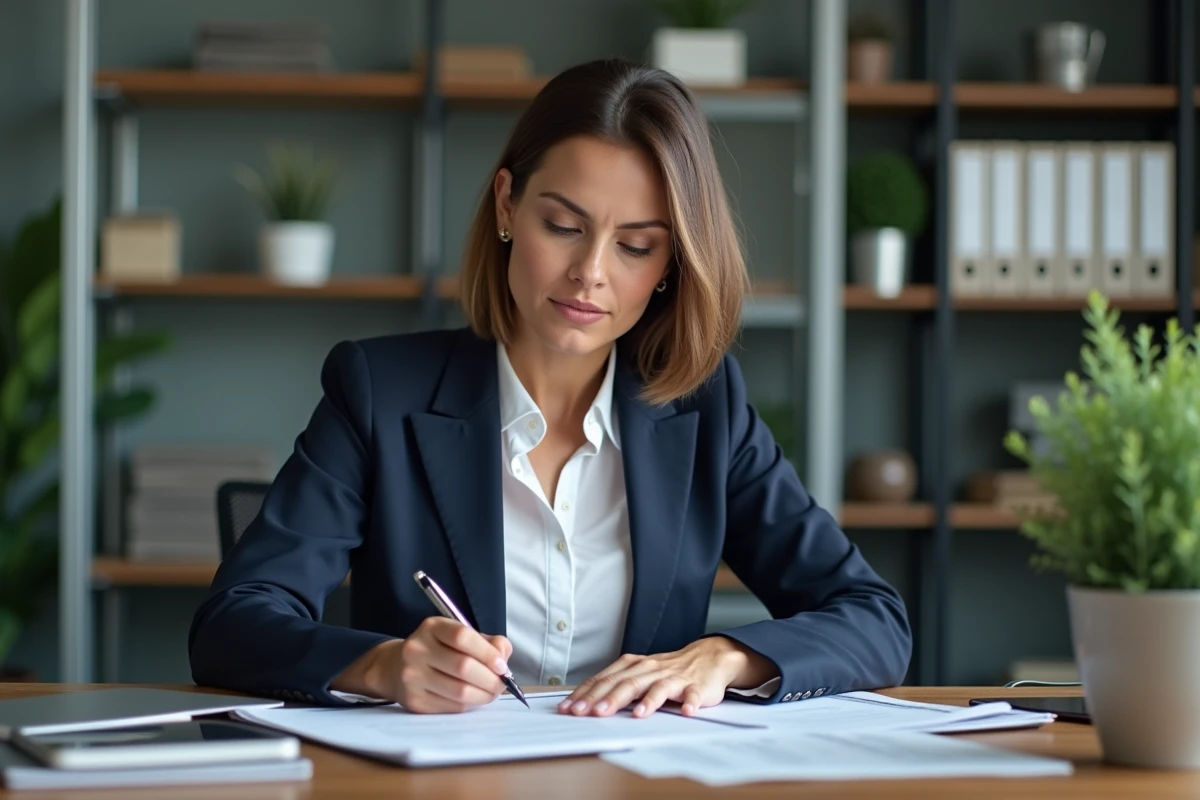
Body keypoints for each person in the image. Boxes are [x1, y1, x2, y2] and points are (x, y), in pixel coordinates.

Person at [188, 58, 911, 718]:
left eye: (635, 245)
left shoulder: (704, 407)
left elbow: (874, 619)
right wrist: (381, 666)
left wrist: (727, 656)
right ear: (507, 205)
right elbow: (234, 619)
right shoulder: (379, 391)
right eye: (563, 225)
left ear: (670, 262)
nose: (590, 272)